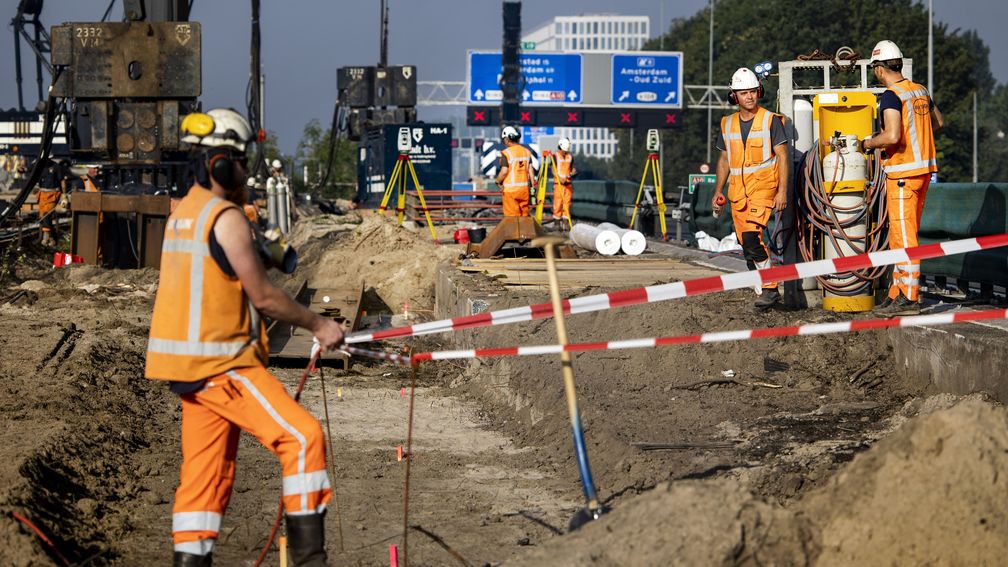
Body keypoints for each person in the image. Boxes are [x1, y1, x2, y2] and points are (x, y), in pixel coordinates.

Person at [145, 108, 345, 567]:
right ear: (219, 164)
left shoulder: (187, 213)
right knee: (303, 437)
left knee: (204, 478)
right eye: (239, 162)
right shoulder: (225, 218)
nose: (244, 172)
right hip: (223, 364)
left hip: (189, 371)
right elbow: (266, 299)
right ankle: (310, 560)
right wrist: (320, 325)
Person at [862, 40, 943, 315]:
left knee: (903, 239)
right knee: (904, 236)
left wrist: (869, 143)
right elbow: (938, 122)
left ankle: (908, 297)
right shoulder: (919, 90)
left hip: (902, 175)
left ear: (879, 69)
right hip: (922, 173)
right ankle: (897, 292)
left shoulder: (891, 95)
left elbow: (893, 135)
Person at [712, 67, 789, 311]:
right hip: (738, 194)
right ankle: (763, 290)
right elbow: (724, 160)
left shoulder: (770, 120)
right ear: (734, 96)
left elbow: (784, 157)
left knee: (751, 238)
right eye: (744, 93)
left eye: (753, 92)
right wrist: (718, 190)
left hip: (764, 190)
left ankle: (770, 288)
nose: (750, 97)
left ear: (760, 92)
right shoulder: (727, 124)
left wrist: (782, 191)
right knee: (746, 246)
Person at [495, 126, 536, 217]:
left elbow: (504, 171)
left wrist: (497, 181)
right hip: (524, 191)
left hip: (511, 192)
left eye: (504, 140)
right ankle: (524, 231)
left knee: (512, 219)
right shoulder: (526, 152)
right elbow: (531, 172)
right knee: (524, 217)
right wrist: (532, 187)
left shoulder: (506, 153)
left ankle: (515, 232)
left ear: (506, 139)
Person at [36, 158, 68, 246]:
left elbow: (62, 180)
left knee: (47, 214)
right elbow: (29, 171)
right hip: (42, 194)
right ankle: (52, 238)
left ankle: (46, 237)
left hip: (53, 194)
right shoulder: (39, 166)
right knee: (42, 216)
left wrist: (64, 195)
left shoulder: (56, 167)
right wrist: (22, 170)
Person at [552, 137, 577, 229]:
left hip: (568, 184)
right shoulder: (555, 156)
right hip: (558, 184)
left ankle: (566, 223)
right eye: (563, 150)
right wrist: (559, 178)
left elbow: (572, 168)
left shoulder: (570, 157)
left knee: (567, 204)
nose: (564, 152)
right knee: (557, 204)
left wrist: (573, 172)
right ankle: (557, 224)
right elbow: (553, 170)